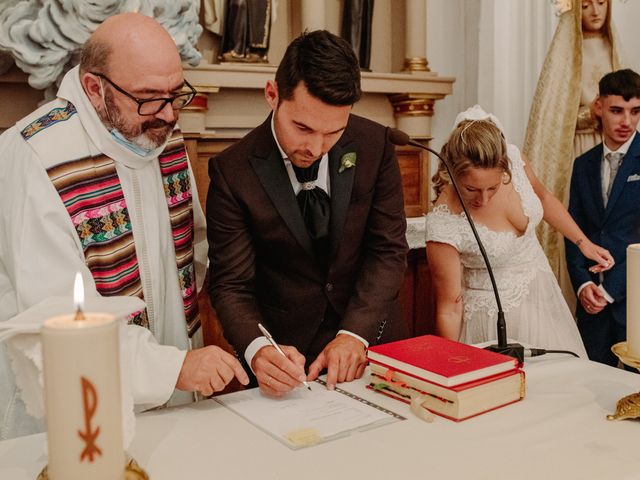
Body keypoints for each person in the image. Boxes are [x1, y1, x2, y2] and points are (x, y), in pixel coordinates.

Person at [0, 13, 248, 440]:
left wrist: (177, 352)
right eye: (150, 97)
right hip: (78, 408)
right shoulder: (36, 154)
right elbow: (55, 314)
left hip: (173, 387)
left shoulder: (158, 132)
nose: (169, 114)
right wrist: (167, 367)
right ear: (95, 88)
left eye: (176, 94)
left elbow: (194, 251)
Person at [207, 30, 409, 395]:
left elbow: (388, 251)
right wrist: (258, 349)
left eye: (333, 132)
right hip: (287, 366)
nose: (315, 147)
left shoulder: (375, 146)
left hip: (372, 347)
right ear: (272, 95)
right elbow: (231, 285)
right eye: (302, 127)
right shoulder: (232, 171)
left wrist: (354, 335)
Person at [425, 105, 614, 355]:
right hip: (493, 321)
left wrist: (583, 242)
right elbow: (450, 306)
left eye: (492, 188)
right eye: (471, 189)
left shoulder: (514, 159)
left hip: (543, 298)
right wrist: (453, 363)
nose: (483, 199)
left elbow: (544, 199)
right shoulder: (444, 221)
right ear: (451, 173)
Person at [523, 0, 623, 312]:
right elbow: (554, 113)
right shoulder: (565, 53)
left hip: (612, 145)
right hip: (579, 148)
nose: (595, 11)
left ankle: (615, 289)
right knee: (583, 218)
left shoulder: (613, 47)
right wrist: (589, 115)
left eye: (602, 3)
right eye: (586, 5)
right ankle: (580, 291)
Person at [566, 69, 640, 367]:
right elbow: (574, 230)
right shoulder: (583, 165)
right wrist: (584, 285)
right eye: (616, 111)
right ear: (598, 107)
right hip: (591, 304)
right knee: (590, 386)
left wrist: (609, 291)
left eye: (635, 111)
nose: (627, 122)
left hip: (634, 299)